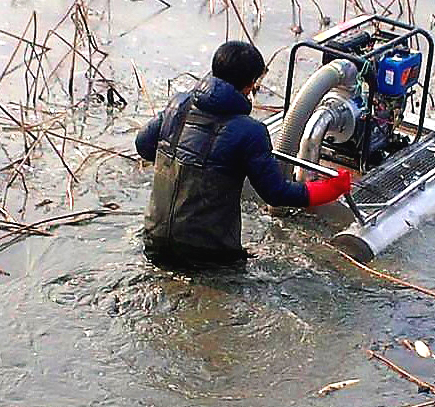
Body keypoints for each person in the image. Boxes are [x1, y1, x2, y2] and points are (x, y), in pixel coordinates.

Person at [135, 41, 352, 265]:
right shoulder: (250, 131)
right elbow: (276, 194)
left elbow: (143, 146)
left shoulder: (177, 105)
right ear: (249, 85)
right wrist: (332, 188)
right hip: (208, 254)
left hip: (154, 240)